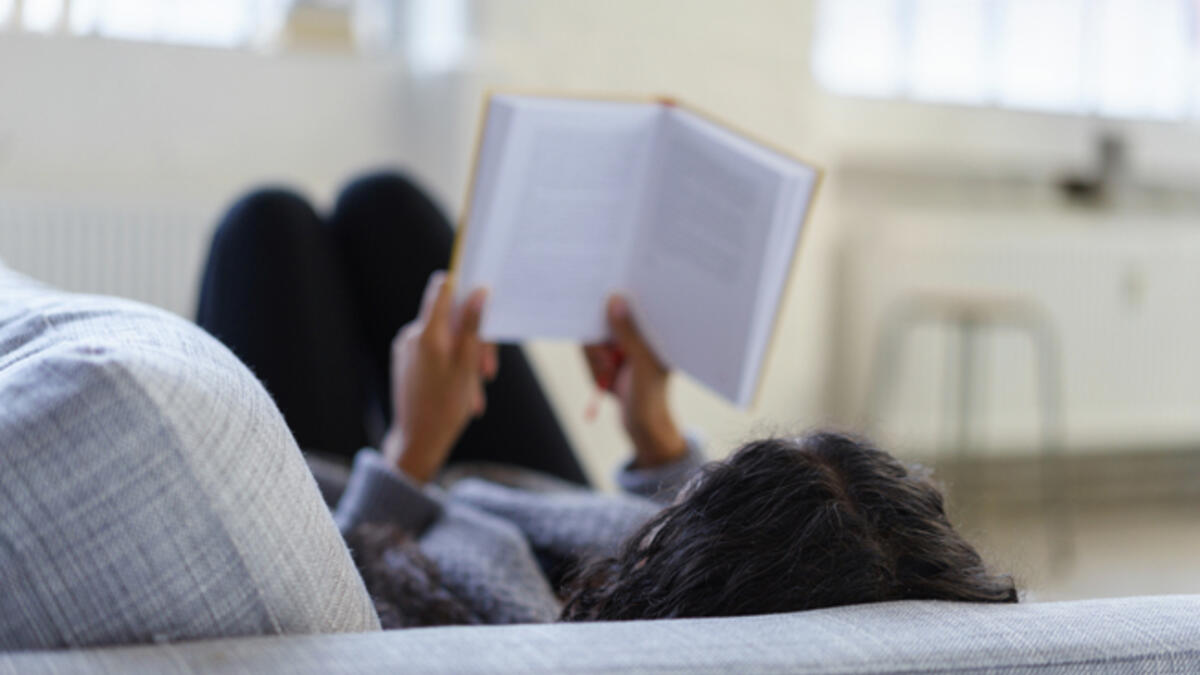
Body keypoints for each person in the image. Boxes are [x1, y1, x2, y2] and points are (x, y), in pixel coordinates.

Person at [197, 171, 1017, 627]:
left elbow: (339, 616)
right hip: (536, 519)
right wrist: (652, 428)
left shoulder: (518, 638)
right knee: (387, 206)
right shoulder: (727, 593)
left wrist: (412, 450)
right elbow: (734, 566)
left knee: (266, 227)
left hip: (377, 524)